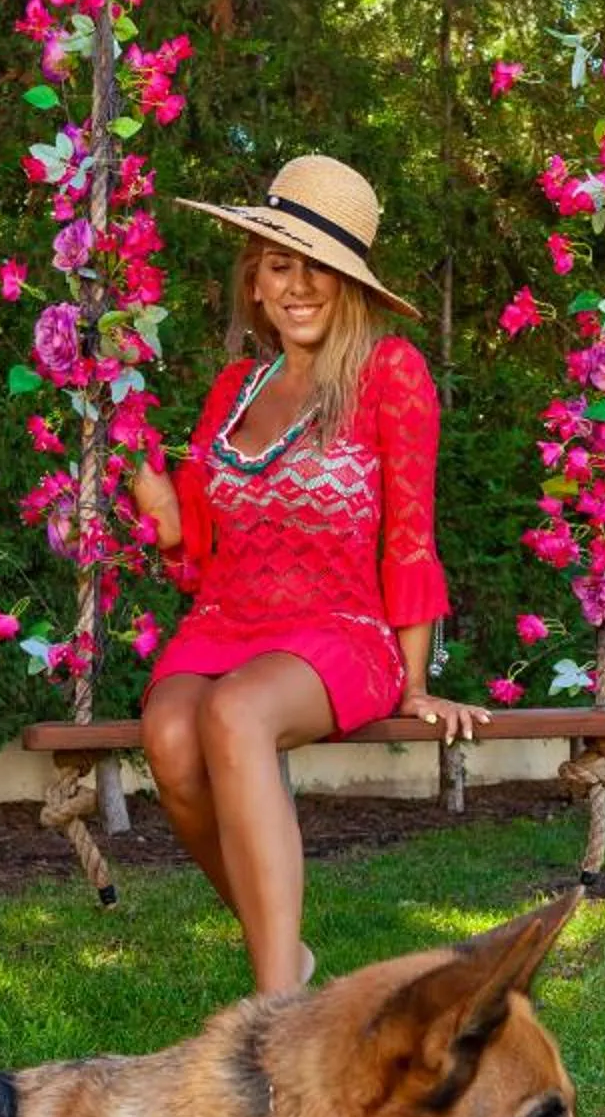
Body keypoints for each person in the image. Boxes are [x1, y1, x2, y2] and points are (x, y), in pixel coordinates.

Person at [129, 155, 491, 996]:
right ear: (254, 280)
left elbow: (410, 535)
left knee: (236, 712)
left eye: (319, 268)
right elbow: (197, 551)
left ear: (350, 284)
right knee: (170, 737)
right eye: (281, 264)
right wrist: (154, 498)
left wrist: (413, 681)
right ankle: (283, 953)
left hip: (340, 630)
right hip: (224, 621)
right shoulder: (232, 390)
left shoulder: (388, 374)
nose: (298, 286)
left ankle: (275, 1011)